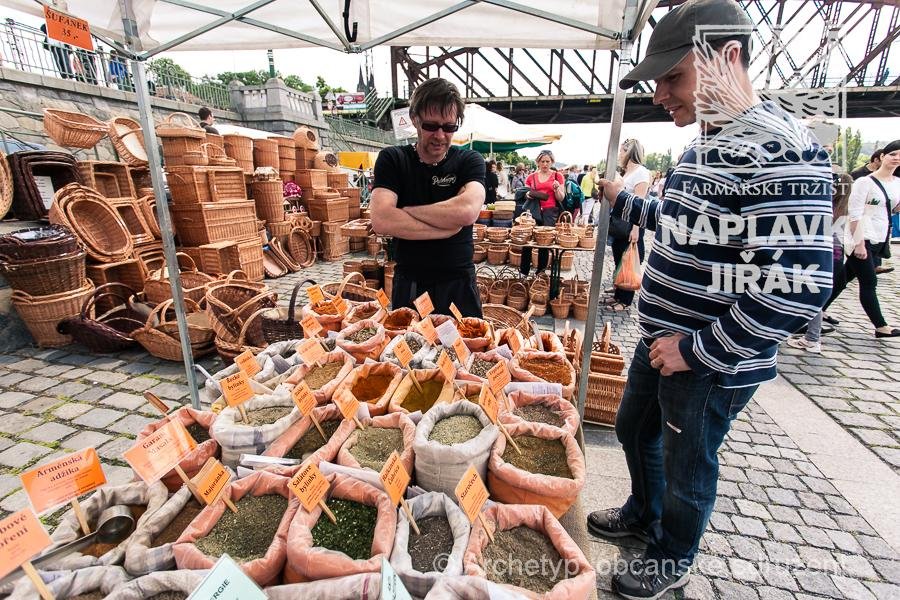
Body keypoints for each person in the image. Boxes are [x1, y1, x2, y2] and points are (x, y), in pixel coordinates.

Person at [589, 1, 833, 598]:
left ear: (727, 59)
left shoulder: (783, 148)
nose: (659, 94)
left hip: (706, 361)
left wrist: (698, 350)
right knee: (632, 429)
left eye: (672, 77)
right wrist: (624, 201)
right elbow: (681, 226)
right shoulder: (711, 140)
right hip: (663, 342)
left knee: (688, 463)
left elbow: (800, 283)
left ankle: (673, 553)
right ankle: (643, 513)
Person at [370, 78, 486, 317]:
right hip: (411, 283)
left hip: (458, 283)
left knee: (466, 350)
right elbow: (381, 220)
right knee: (409, 352)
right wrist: (448, 227)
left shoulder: (469, 160)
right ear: (415, 119)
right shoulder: (393, 159)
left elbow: (467, 211)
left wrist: (406, 210)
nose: (440, 135)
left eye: (449, 127)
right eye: (431, 126)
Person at [817, 140, 900, 338]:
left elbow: (892, 210)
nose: (896, 159)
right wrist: (859, 243)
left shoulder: (897, 184)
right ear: (882, 157)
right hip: (861, 237)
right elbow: (855, 214)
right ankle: (881, 326)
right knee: (869, 282)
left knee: (841, 279)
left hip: (881, 237)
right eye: (893, 154)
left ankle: (817, 312)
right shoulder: (864, 182)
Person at [787, 172, 853, 352]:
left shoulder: (819, 207)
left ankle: (809, 336)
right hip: (835, 257)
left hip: (814, 254)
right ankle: (811, 337)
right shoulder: (843, 208)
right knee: (813, 297)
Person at [605, 138, 650, 311]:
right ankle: (618, 292)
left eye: (622, 152)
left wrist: (636, 228)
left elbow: (640, 203)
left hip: (631, 225)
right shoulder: (627, 173)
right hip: (619, 225)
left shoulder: (641, 173)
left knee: (628, 262)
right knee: (619, 258)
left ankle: (625, 300)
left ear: (628, 152)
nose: (619, 155)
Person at [525, 150, 565, 225]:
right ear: (538, 162)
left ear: (552, 162)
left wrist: (557, 189)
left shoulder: (558, 176)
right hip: (534, 211)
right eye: (542, 161)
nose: (545, 164)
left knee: (547, 235)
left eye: (547, 161)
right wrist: (527, 194)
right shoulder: (531, 177)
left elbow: (561, 198)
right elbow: (525, 194)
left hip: (550, 213)